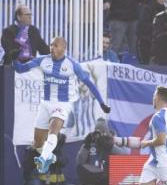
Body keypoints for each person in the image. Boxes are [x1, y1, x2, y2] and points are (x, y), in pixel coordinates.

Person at [14, 37, 110, 174]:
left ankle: (44, 158)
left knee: (54, 128)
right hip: (45, 103)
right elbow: (20, 69)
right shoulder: (43, 60)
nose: (52, 48)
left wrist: (102, 103)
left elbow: (89, 84)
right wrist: (14, 59)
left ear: (64, 48)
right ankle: (48, 156)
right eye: (51, 45)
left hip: (62, 104)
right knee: (38, 143)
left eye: (55, 45)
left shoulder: (72, 65)